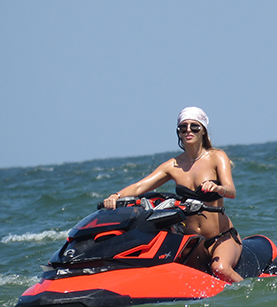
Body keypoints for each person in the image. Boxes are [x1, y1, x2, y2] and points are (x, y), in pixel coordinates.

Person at [102, 107, 243, 283]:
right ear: (179, 132)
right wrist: (116, 196)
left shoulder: (217, 157)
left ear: (203, 131)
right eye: (183, 127)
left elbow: (231, 191)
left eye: (194, 126)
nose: (188, 130)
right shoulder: (173, 165)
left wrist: (218, 189)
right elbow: (139, 187)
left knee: (220, 269)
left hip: (221, 237)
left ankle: (250, 294)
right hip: (194, 242)